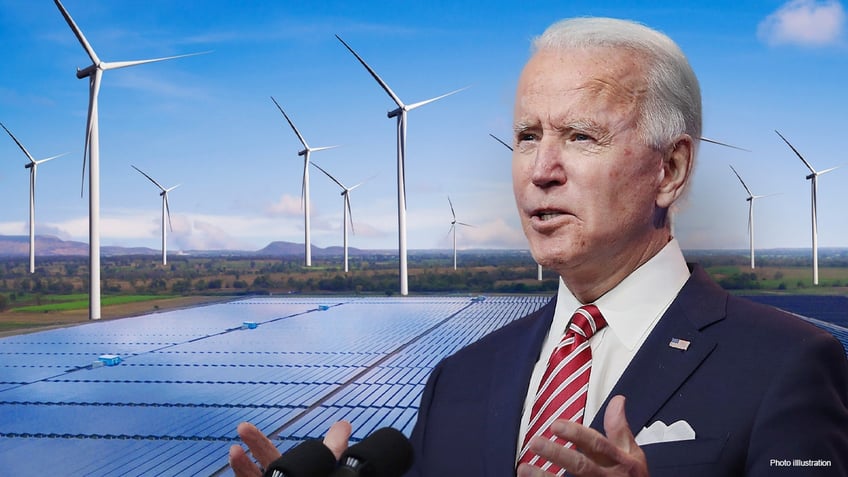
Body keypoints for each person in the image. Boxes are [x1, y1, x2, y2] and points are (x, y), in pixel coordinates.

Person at [230, 17, 848, 477]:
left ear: (672, 169)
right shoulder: (460, 379)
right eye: (526, 136)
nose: (540, 169)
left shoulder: (788, 363)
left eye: (580, 136)